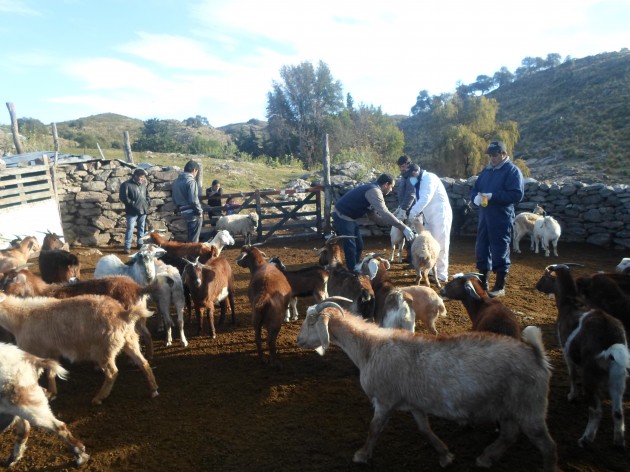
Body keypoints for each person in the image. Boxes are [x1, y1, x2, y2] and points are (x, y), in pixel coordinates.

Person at [470, 140, 524, 297]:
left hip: (501, 216)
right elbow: (475, 189)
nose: (492, 158)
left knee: (499, 247)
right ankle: (483, 282)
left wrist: (493, 196)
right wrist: (475, 199)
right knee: (482, 246)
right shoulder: (487, 171)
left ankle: (500, 285)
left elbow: (516, 194)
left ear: (504, 154)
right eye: (490, 155)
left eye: (495, 155)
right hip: (485, 215)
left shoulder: (512, 171)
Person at [332, 173, 414, 272]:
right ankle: (352, 272)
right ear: (386, 184)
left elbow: (373, 215)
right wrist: (403, 227)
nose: (391, 189)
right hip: (342, 216)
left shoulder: (372, 189)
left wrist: (391, 222)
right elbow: (384, 212)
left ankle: (356, 268)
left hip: (348, 217)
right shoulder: (374, 191)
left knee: (359, 244)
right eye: (391, 187)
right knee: (351, 246)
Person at [408, 164, 453, 283]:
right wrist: (418, 216)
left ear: (416, 171)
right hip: (429, 216)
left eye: (411, 175)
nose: (411, 178)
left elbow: (425, 198)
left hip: (440, 215)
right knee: (430, 246)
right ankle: (430, 271)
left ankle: (442, 275)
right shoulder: (418, 181)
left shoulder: (429, 178)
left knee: (440, 244)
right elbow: (419, 198)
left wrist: (412, 213)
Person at [119, 167, 150, 254]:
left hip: (143, 210)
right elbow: (123, 197)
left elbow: (147, 195)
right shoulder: (126, 185)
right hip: (131, 211)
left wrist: (147, 203)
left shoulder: (143, 185)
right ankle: (127, 247)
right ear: (135, 176)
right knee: (130, 229)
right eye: (140, 177)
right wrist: (133, 204)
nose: (142, 179)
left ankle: (140, 244)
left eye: (143, 177)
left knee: (141, 228)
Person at [172, 160, 204, 242]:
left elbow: (174, 198)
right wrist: (199, 211)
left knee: (186, 236)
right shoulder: (191, 182)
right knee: (194, 238)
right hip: (192, 212)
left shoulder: (176, 181)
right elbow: (193, 200)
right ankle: (193, 254)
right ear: (194, 170)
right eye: (196, 171)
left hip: (182, 211)